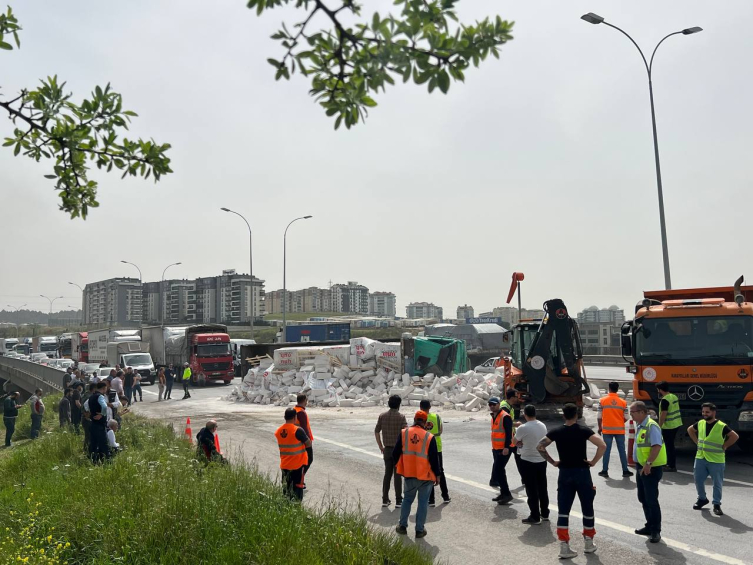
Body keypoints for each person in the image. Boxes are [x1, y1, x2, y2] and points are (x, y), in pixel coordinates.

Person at [538, 403, 605, 559]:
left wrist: (553, 461)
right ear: (576, 415)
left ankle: (564, 546)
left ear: (563, 415)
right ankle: (588, 542)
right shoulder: (584, 431)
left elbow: (540, 446)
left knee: (564, 510)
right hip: (582, 473)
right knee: (587, 507)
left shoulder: (556, 431)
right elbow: (602, 444)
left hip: (565, 473)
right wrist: (593, 461)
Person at [393, 410, 440, 539]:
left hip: (409, 475)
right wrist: (438, 475)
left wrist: (400, 466)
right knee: (423, 502)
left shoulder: (404, 433)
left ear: (414, 419)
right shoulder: (429, 437)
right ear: (425, 422)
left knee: (407, 500)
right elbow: (434, 459)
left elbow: (395, 454)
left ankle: (402, 526)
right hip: (425, 476)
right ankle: (419, 530)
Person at [687, 402, 739, 516]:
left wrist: (725, 445)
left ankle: (716, 504)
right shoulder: (700, 423)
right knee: (698, 480)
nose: (704, 414)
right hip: (701, 457)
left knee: (717, 483)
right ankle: (702, 499)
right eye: (703, 412)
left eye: (707, 412)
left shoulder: (721, 426)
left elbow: (734, 436)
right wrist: (696, 442)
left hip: (716, 460)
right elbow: (690, 430)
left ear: (714, 412)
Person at [630, 401, 666, 543]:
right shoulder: (640, 425)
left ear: (641, 412)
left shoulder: (651, 426)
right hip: (642, 467)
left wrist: (648, 464)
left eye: (632, 412)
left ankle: (655, 530)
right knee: (643, 498)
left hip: (650, 468)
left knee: (651, 499)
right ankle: (649, 525)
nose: (630, 415)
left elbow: (656, 446)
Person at [514, 404, 550, 524]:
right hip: (541, 459)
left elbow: (514, 442)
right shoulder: (542, 425)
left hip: (527, 460)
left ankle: (535, 516)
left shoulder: (523, 428)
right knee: (542, 487)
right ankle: (545, 513)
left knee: (531, 489)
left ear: (525, 414)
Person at [375, 394, 407, 508]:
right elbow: (405, 432)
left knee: (387, 474)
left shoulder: (382, 416)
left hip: (387, 449)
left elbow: (377, 431)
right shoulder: (401, 417)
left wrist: (381, 446)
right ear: (399, 405)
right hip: (398, 450)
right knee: (397, 475)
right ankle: (399, 500)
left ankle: (385, 498)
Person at [597, 382, 632, 478]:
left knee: (606, 450)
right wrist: (620, 422)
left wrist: (600, 427)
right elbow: (627, 417)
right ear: (618, 389)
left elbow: (599, 416)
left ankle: (604, 471)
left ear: (609, 388)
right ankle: (625, 471)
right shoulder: (623, 402)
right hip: (619, 430)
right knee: (622, 450)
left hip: (607, 430)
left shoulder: (602, 400)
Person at [275, 408, 311, 501]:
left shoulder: (278, 431)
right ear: (295, 417)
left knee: (286, 490)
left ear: (284, 417)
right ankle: (295, 508)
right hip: (297, 466)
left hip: (284, 465)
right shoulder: (297, 430)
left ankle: (285, 507)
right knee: (297, 491)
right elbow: (308, 443)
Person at [420, 399, 450, 506]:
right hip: (437, 447)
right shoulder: (436, 417)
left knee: (429, 472)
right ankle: (445, 496)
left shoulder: (420, 418)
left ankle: (431, 499)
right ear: (430, 407)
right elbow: (440, 430)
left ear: (420, 408)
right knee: (440, 470)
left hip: (426, 448)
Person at [488, 396, 514, 505]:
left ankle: (507, 494)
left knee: (498, 470)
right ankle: (503, 493)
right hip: (496, 448)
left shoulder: (505, 416)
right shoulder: (494, 416)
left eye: (494, 404)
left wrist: (506, 447)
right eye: (490, 405)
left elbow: (509, 433)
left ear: (499, 404)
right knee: (500, 471)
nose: (492, 406)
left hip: (504, 449)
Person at [656, 381, 681, 472]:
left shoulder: (665, 400)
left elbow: (663, 414)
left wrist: (659, 426)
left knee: (669, 446)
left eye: (658, 390)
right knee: (671, 445)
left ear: (660, 390)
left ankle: (671, 465)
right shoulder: (673, 396)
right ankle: (670, 464)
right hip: (677, 423)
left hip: (669, 426)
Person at [88, 382, 110, 463]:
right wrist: (102, 414)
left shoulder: (91, 397)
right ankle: (107, 462)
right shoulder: (100, 396)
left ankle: (93, 461)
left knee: (93, 444)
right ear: (104, 388)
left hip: (93, 423)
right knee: (104, 445)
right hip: (100, 425)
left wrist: (90, 414)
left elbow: (85, 406)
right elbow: (104, 406)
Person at [294, 394, 314, 476]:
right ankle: (299, 478)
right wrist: (308, 440)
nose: (307, 402)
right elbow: (304, 427)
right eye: (306, 400)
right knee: (308, 459)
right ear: (304, 400)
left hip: (296, 439)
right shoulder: (301, 412)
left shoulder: (295, 409)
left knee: (300, 460)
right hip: (303, 440)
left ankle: (298, 478)